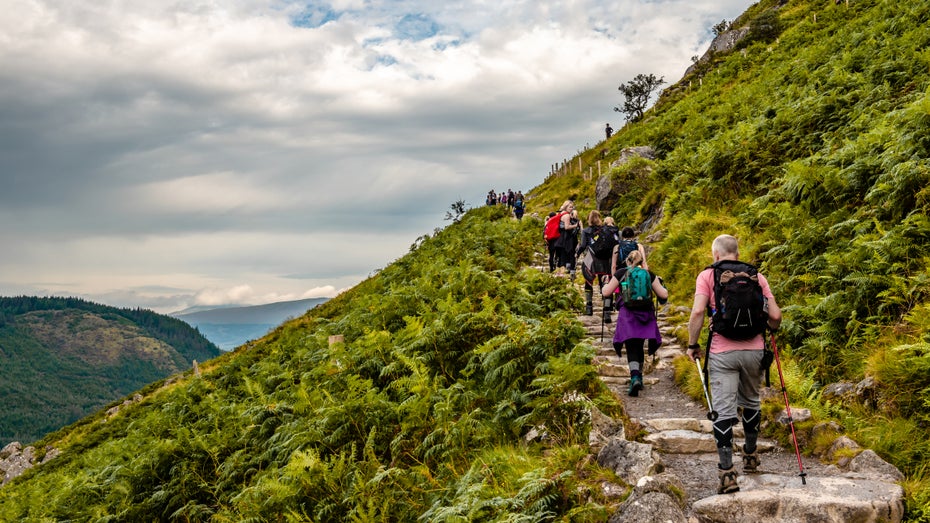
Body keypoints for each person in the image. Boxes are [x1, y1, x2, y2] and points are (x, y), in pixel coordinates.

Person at [686, 234, 782, 495]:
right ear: (737, 254)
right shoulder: (756, 277)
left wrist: (692, 344)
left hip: (722, 352)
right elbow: (775, 316)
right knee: (751, 401)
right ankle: (750, 456)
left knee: (723, 409)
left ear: (715, 254)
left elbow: (697, 312)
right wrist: (769, 329)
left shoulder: (707, 275)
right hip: (754, 351)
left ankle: (727, 473)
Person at [601, 249, 668, 396]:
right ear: (642, 261)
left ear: (627, 260)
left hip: (628, 313)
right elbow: (663, 294)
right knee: (639, 344)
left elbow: (606, 292)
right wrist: (663, 285)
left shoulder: (621, 272)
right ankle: (640, 377)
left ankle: (635, 376)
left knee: (631, 345)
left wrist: (604, 284)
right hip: (645, 313)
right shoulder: (649, 274)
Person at [577, 210, 618, 317]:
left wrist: (577, 254)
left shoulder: (586, 231)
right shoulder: (606, 230)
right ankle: (607, 311)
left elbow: (583, 245)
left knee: (588, 282)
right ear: (599, 218)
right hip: (606, 260)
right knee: (605, 283)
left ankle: (589, 307)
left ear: (589, 219)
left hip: (592, 259)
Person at [554, 204, 581, 278]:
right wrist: (575, 226)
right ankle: (570, 273)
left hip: (561, 239)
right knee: (570, 255)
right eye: (570, 207)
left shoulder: (562, 215)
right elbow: (566, 227)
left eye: (572, 207)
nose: (571, 208)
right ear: (566, 207)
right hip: (567, 239)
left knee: (563, 256)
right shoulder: (567, 216)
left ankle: (562, 273)